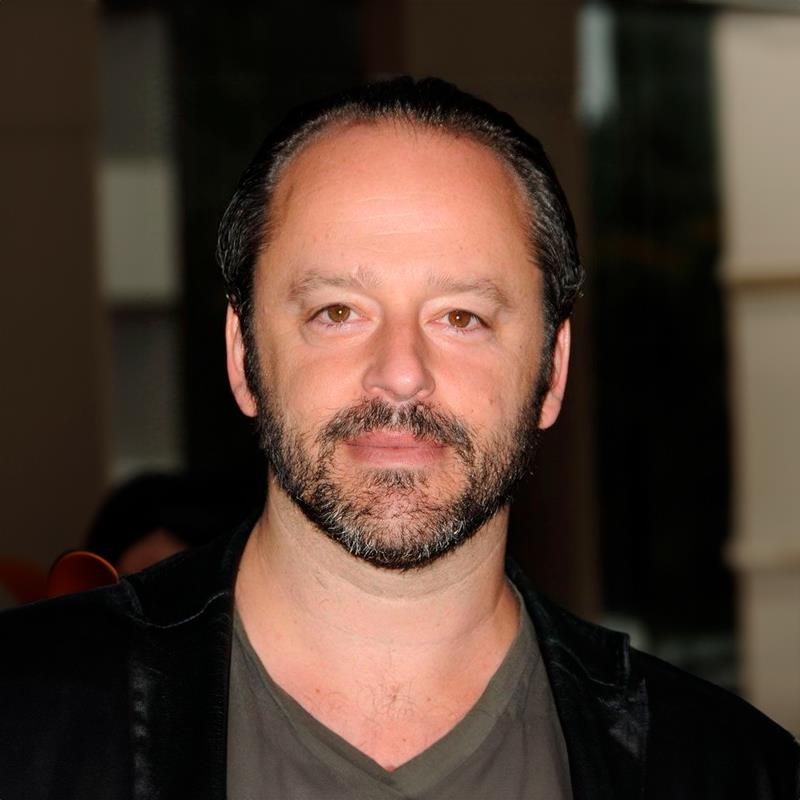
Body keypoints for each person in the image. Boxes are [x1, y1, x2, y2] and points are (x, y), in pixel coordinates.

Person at [0, 77, 797, 799]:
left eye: (462, 317)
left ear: (552, 372)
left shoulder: (736, 774)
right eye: (337, 312)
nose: (401, 373)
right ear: (243, 358)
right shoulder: (20, 725)